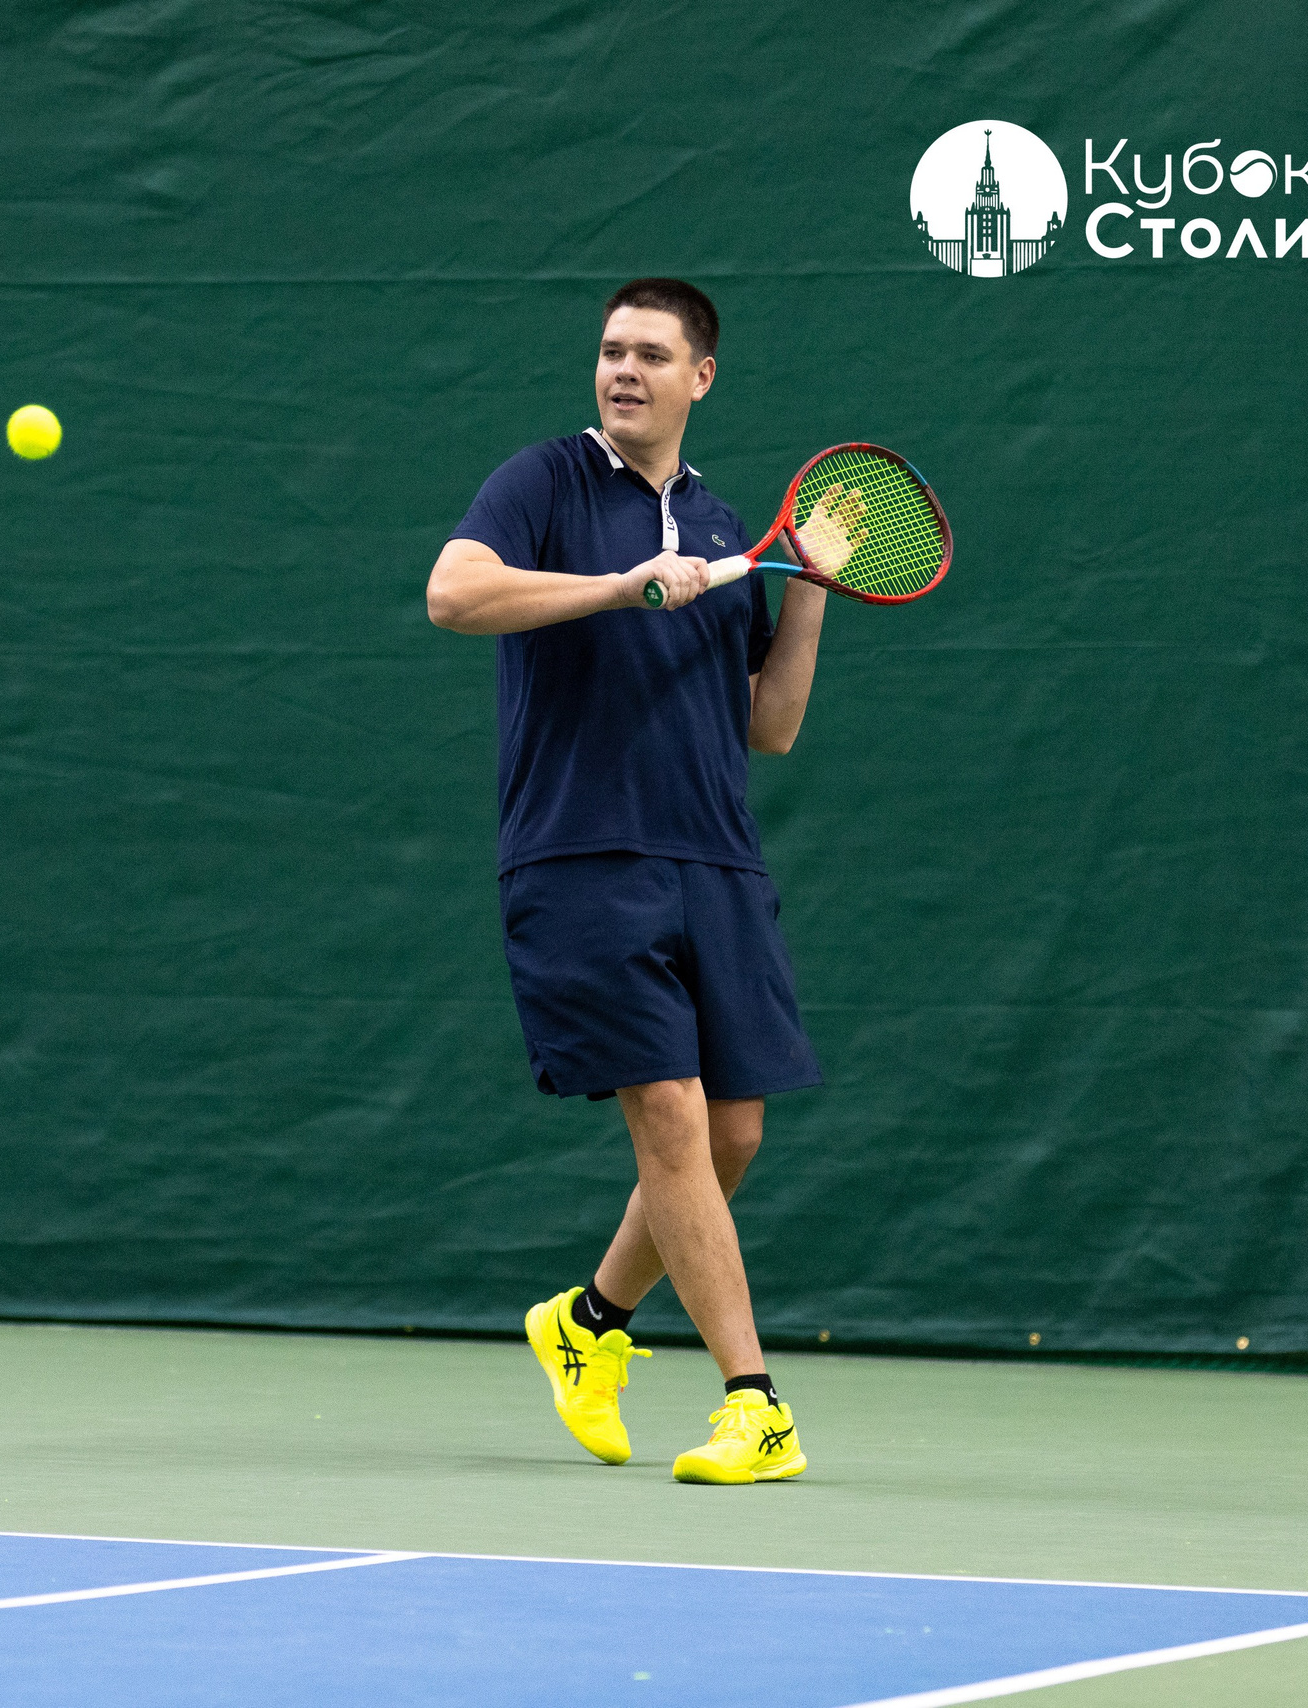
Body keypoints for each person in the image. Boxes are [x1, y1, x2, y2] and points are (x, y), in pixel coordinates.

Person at [425, 278, 828, 1485]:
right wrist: (617, 586)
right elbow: (454, 593)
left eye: (652, 355)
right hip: (582, 854)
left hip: (714, 857)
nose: (624, 371)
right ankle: (754, 1401)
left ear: (700, 376)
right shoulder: (542, 481)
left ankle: (588, 1323)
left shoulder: (725, 527)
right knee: (665, 1114)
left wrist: (804, 587)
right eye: (610, 351)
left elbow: (771, 727)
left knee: (732, 1133)